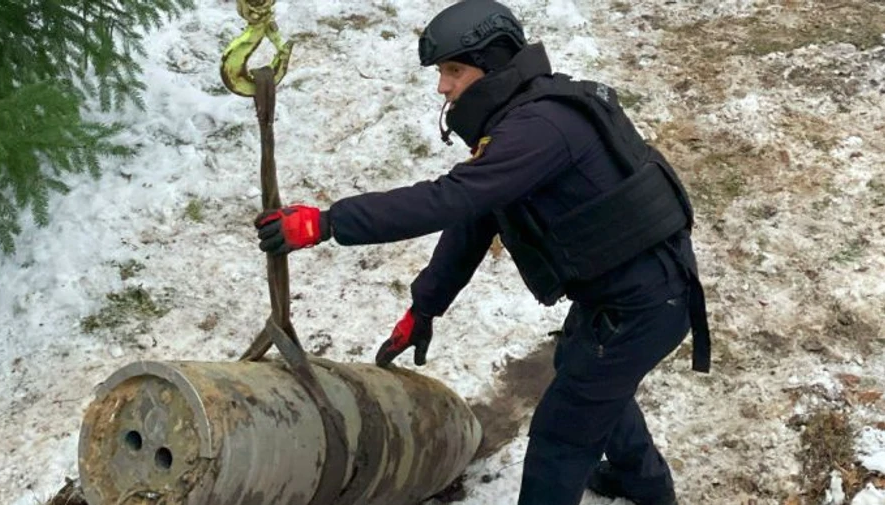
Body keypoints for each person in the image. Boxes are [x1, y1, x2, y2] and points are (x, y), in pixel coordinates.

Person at [253, 1, 710, 504]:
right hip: (629, 292)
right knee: (587, 373)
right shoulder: (524, 119)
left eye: (454, 70)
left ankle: (646, 486)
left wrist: (326, 223)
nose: (442, 87)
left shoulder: (539, 129)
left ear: (491, 66)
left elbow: (450, 199)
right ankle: (642, 483)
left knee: (562, 435)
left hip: (643, 304)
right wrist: (424, 307)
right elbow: (475, 220)